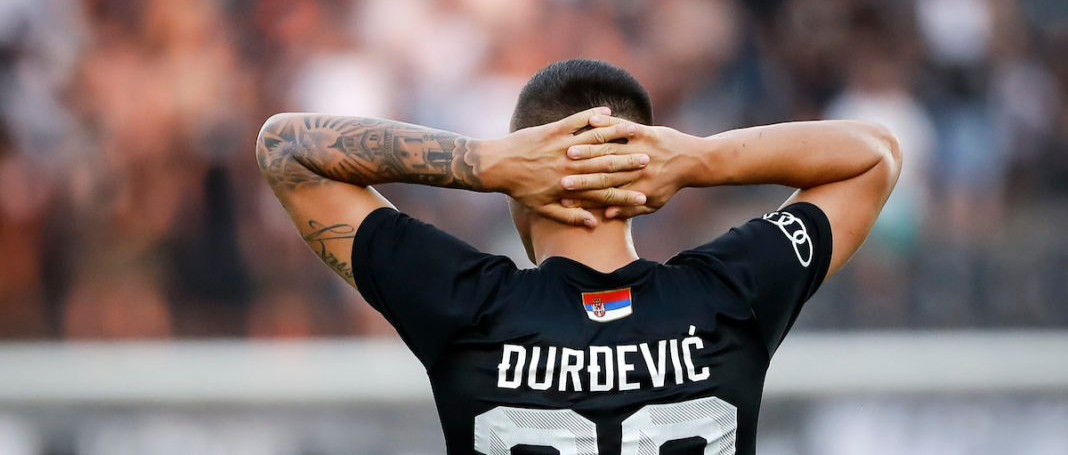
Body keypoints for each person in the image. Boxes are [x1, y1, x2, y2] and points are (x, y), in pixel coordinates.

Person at [256, 59, 901, 454]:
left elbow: (286, 149)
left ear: (524, 184)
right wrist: (700, 159)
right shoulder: (729, 295)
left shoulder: (467, 305)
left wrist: (485, 163)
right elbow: (874, 156)